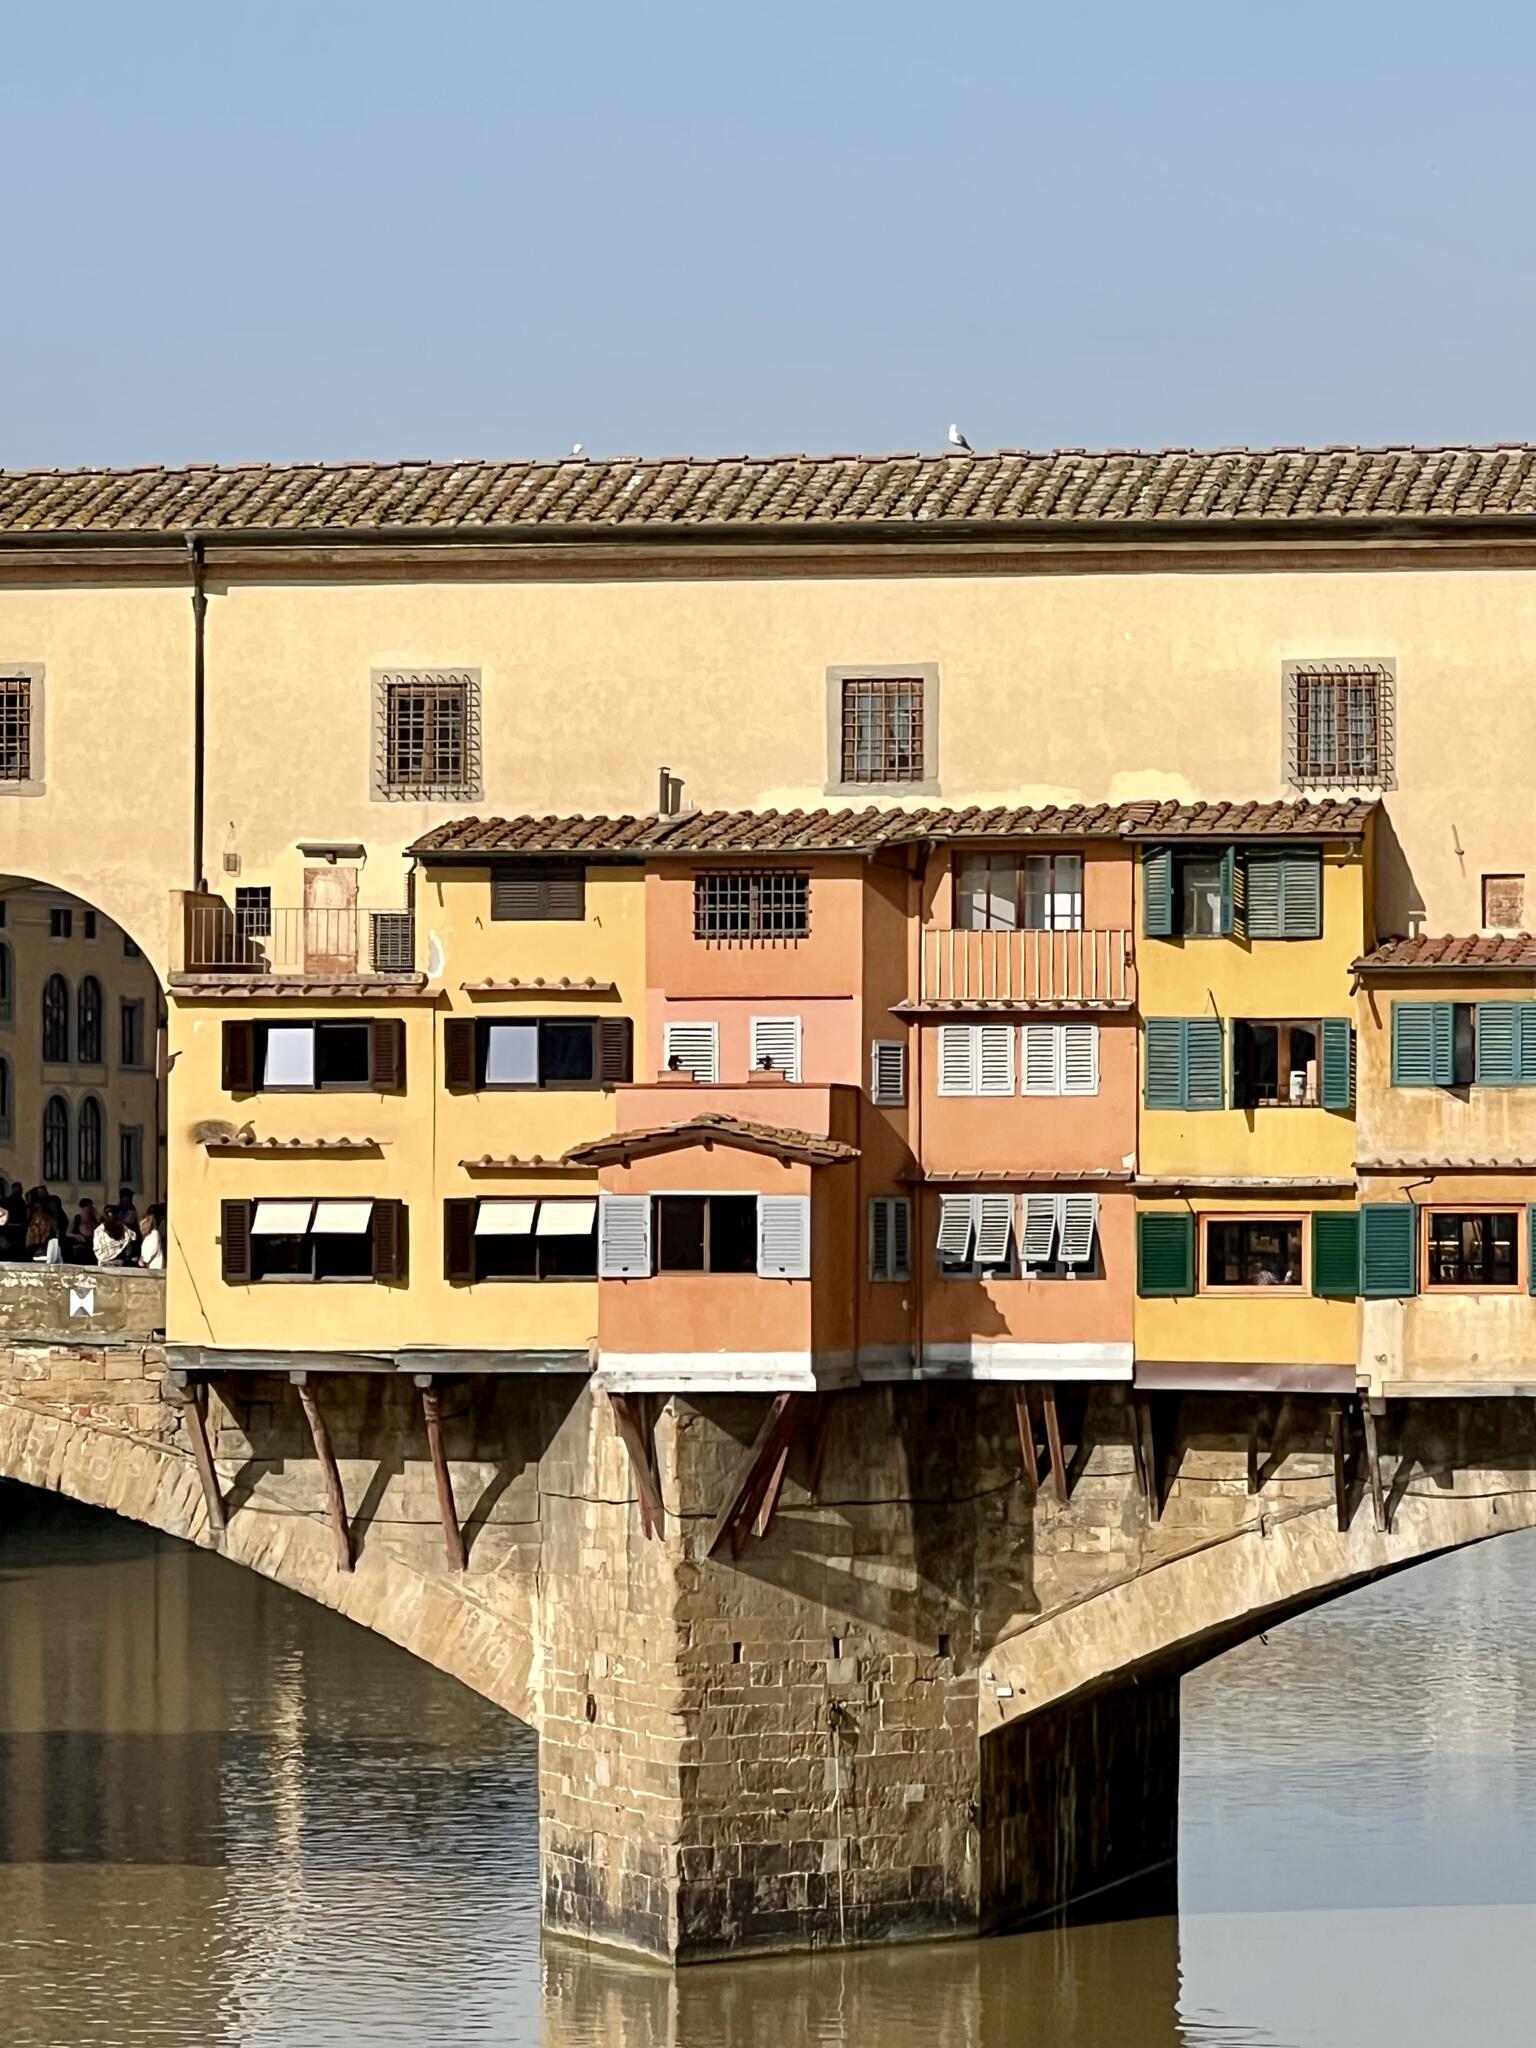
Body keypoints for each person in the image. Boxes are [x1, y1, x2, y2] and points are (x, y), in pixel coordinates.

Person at [138, 1204, 166, 1271]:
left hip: (154, 1270)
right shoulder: (151, 1236)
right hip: (153, 1268)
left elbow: (147, 1258)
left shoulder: (153, 1236)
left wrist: (141, 1260)